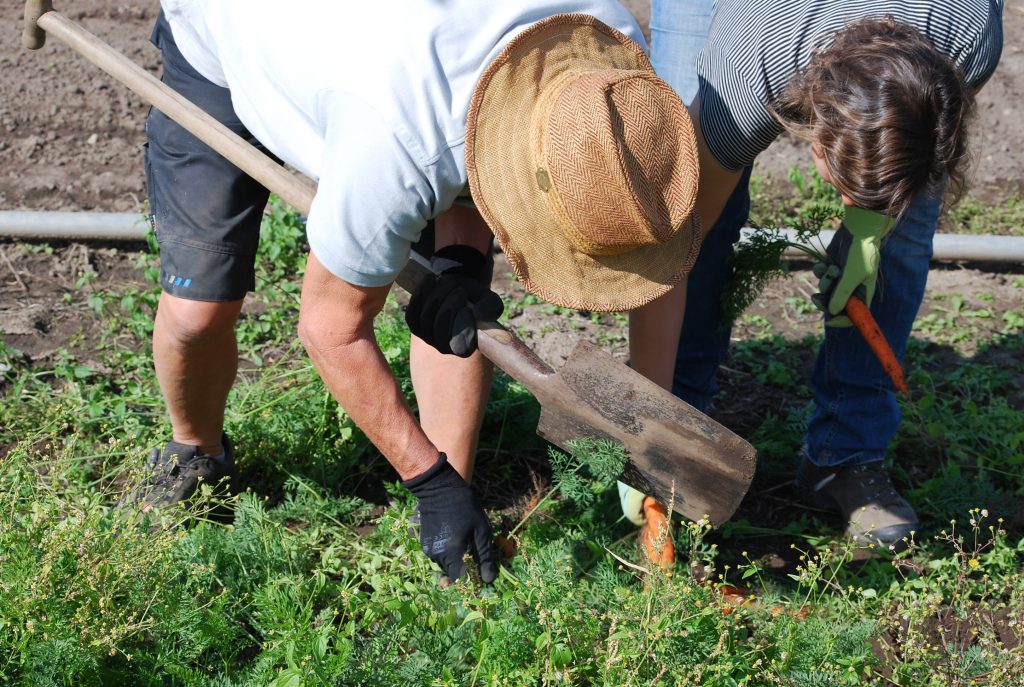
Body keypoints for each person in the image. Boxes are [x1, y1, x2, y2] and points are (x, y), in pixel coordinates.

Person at [129, 0, 702, 584]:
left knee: (459, 297)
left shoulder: (614, 78)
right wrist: (430, 486)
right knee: (198, 314)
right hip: (228, 41)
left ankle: (456, 547)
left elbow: (484, 161)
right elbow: (330, 328)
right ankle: (196, 454)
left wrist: (647, 430)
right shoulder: (399, 146)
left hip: (404, 68)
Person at [624, 0, 1004, 551]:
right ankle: (676, 435)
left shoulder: (966, 40)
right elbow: (675, 247)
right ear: (816, 135)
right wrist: (646, 429)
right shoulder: (749, 68)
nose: (847, 201)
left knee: (906, 223)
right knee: (689, 207)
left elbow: (897, 154)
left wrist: (870, 231)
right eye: (844, 186)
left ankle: (846, 455)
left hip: (926, 32)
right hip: (748, 20)